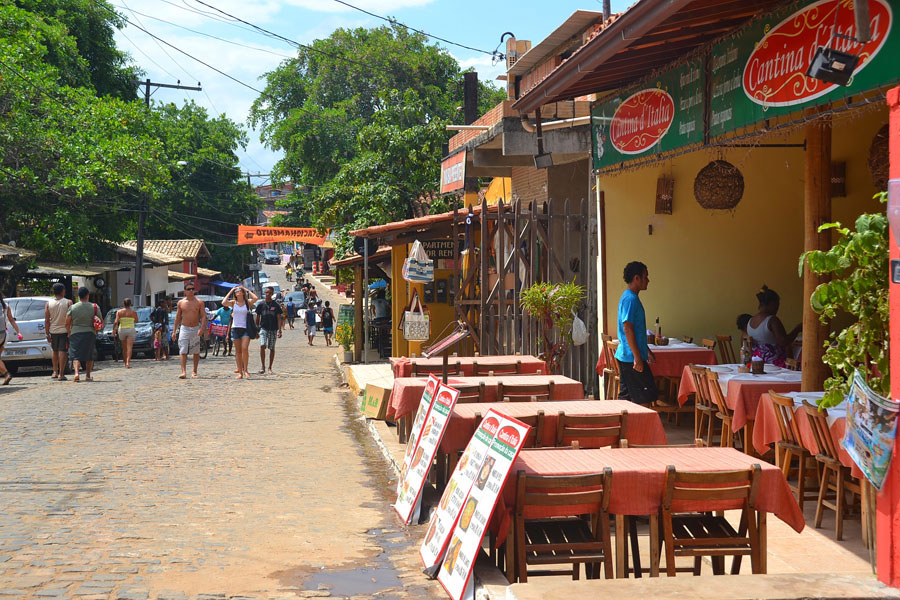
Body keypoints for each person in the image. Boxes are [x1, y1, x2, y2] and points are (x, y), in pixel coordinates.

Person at [614, 261, 657, 404]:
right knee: (645, 396)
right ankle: (642, 425)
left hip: (629, 355)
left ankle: (623, 425)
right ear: (637, 278)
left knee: (626, 398)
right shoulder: (631, 299)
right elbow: (628, 327)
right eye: (646, 277)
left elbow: (636, 330)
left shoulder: (630, 297)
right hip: (630, 357)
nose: (648, 281)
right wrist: (638, 357)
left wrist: (646, 350)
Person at [747, 286, 801, 367]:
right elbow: (784, 342)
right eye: (777, 305)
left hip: (758, 364)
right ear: (772, 304)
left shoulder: (750, 321)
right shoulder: (772, 320)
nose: (777, 309)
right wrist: (797, 329)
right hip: (774, 365)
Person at [172, 283, 208, 379]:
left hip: (195, 328)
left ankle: (194, 371)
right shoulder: (181, 302)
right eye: (189, 289)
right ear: (185, 291)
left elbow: (203, 316)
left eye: (192, 289)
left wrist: (202, 328)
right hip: (184, 328)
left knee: (195, 350)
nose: (191, 291)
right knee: (183, 350)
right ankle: (183, 371)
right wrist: (174, 331)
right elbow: (177, 317)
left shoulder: (199, 302)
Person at [223, 285, 258, 379]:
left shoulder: (247, 302)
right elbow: (224, 302)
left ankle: (246, 370)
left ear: (242, 292)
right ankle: (240, 372)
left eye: (239, 291)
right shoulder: (233, 303)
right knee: (238, 351)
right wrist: (231, 291)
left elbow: (255, 298)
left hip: (245, 328)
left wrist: (247, 290)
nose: (237, 292)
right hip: (235, 328)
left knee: (244, 348)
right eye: (236, 291)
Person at [65, 286, 97, 382]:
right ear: (87, 295)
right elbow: (100, 321)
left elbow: (67, 322)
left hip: (75, 332)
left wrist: (69, 332)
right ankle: (87, 375)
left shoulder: (73, 307)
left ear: (78, 296)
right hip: (90, 332)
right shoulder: (94, 306)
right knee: (89, 355)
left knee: (75, 355)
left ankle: (76, 373)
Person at [44, 282, 72, 380]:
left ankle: (55, 372)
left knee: (54, 351)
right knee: (62, 351)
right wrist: (70, 331)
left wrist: (47, 333)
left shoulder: (48, 303)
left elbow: (47, 320)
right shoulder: (68, 302)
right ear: (63, 291)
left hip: (53, 331)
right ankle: (61, 373)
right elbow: (70, 318)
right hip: (64, 330)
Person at [255, 286, 284, 374]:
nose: (268, 294)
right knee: (262, 345)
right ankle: (263, 366)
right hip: (263, 328)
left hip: (273, 329)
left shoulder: (276, 305)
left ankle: (270, 367)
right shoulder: (261, 304)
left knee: (271, 348)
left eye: (270, 293)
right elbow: (258, 317)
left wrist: (280, 330)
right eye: (267, 292)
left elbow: (279, 318)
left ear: (272, 294)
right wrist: (256, 329)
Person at [0, 292, 22, 385]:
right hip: (4, 335)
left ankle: (6, 374)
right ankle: (5, 375)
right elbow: (11, 320)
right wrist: (18, 332)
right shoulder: (5, 306)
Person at [113, 298, 139, 368]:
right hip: (130, 329)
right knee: (129, 347)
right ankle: (128, 362)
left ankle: (125, 362)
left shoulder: (119, 312)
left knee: (124, 348)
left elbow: (116, 322)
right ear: (130, 304)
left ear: (123, 304)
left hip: (122, 329)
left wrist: (114, 330)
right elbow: (136, 320)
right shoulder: (133, 312)